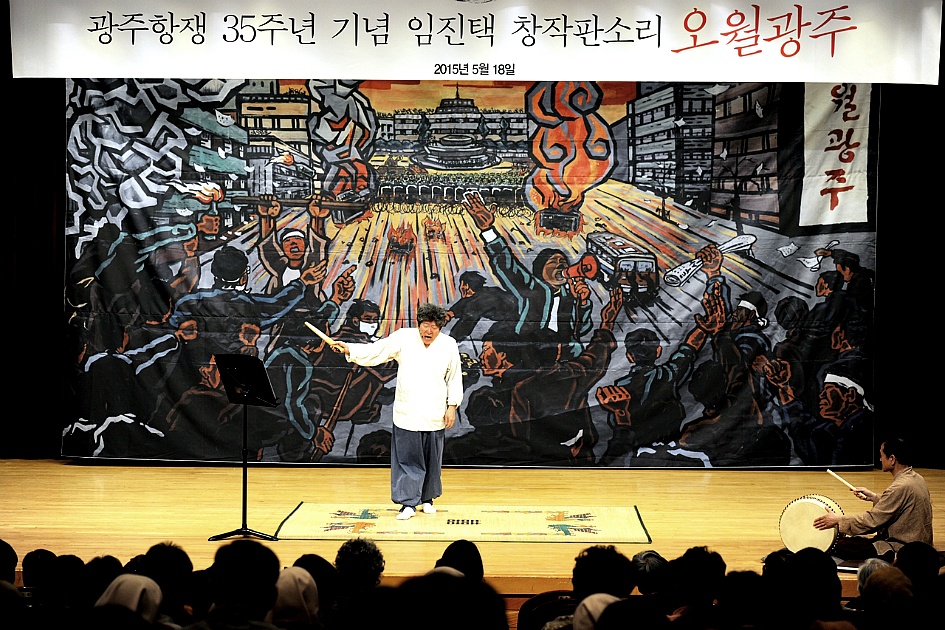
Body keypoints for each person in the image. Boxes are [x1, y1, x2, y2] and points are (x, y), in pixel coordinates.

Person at [332, 303, 463, 520]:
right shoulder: (403, 337)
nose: (429, 331)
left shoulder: (448, 344)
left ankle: (427, 499)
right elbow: (377, 351)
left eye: (434, 327)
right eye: (425, 325)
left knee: (432, 459)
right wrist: (349, 349)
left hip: (435, 411)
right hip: (407, 410)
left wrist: (452, 407)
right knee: (407, 459)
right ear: (418, 324)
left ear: (440, 328)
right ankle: (408, 503)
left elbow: (454, 377)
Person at [813, 438, 933, 560]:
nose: (880, 459)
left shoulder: (900, 486)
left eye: (882, 456)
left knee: (840, 545)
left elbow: (872, 521)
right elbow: (897, 503)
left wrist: (838, 520)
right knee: (853, 541)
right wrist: (874, 497)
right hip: (919, 542)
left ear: (892, 459)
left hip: (904, 547)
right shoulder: (916, 478)